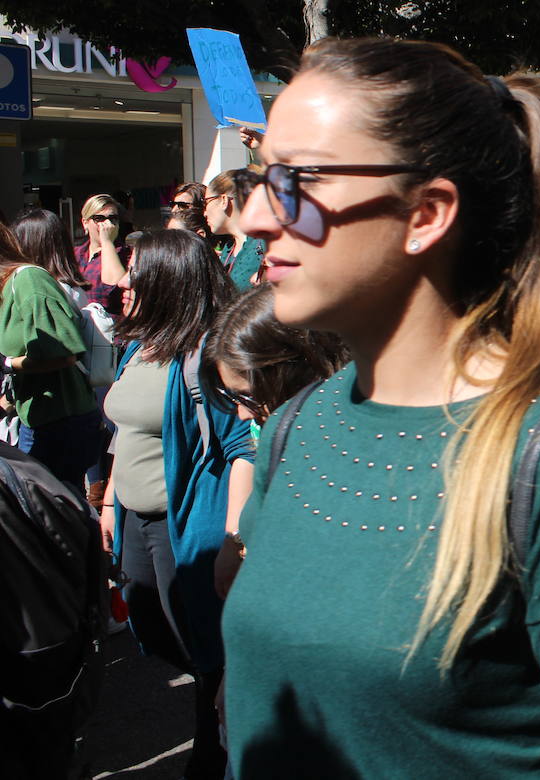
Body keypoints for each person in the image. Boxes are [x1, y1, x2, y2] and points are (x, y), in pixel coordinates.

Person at [224, 38, 540, 778]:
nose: (253, 220)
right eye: (257, 178)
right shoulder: (292, 429)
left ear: (426, 213)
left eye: (295, 182)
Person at [99, 230, 254, 779]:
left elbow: (242, 447)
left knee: (204, 647)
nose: (120, 282)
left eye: (134, 272)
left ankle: (213, 751)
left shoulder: (203, 355)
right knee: (152, 623)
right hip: (134, 519)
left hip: (182, 525)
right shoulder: (141, 344)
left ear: (166, 280)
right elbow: (125, 429)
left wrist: (232, 540)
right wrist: (110, 500)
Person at [202, 284, 349, 595]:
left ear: (295, 372)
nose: (241, 414)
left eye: (248, 397)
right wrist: (237, 540)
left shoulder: (342, 460)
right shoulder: (278, 431)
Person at [12, 208, 112, 499]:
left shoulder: (48, 292)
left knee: (50, 499)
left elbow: (60, 355)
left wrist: (10, 363)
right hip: (76, 410)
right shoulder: (72, 287)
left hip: (58, 413)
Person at [74, 193, 131, 318]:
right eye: (99, 219)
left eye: (113, 218)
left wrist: (106, 242)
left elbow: (113, 288)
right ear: (85, 223)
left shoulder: (126, 254)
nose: (107, 224)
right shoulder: (75, 254)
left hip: (110, 330)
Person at [206, 171, 266, 290]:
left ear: (224, 200)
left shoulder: (264, 243)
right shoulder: (228, 249)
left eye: (206, 202)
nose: (204, 213)